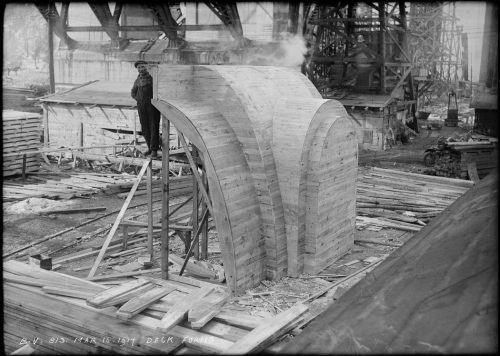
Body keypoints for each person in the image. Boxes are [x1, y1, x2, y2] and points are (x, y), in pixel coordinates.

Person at [131, 60, 161, 158]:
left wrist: (151, 100)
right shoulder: (137, 80)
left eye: (142, 67)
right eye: (139, 68)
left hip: (152, 106)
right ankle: (149, 147)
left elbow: (158, 90)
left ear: (146, 67)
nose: (140, 69)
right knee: (145, 128)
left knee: (153, 127)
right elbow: (133, 92)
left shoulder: (152, 78)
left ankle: (154, 150)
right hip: (141, 107)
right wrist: (139, 100)